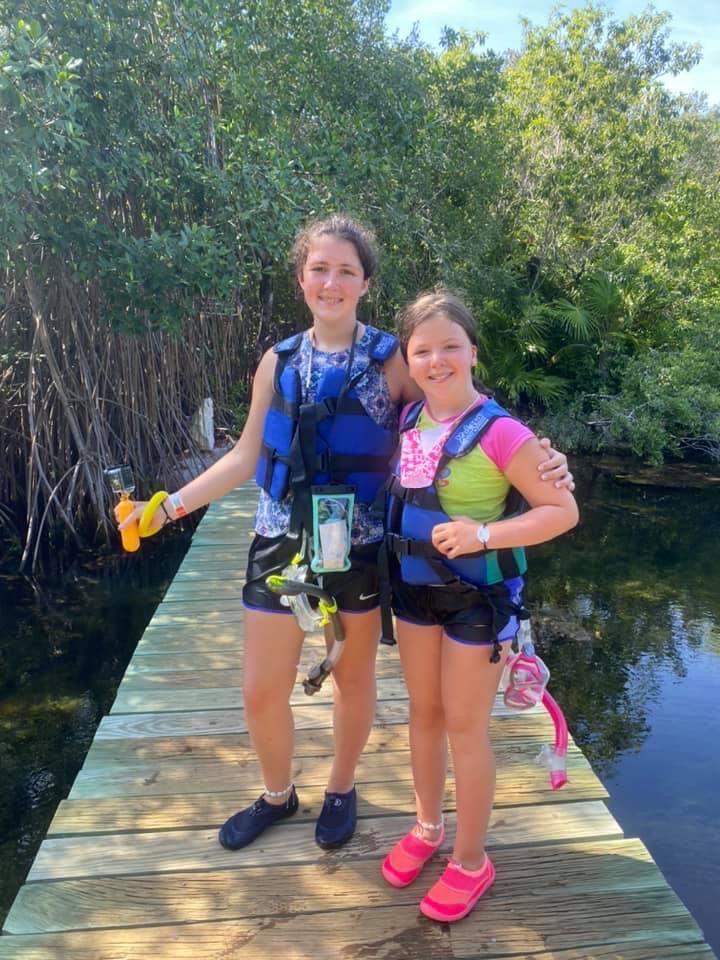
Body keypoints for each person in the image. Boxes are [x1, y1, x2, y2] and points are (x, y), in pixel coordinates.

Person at [118, 216, 574, 852]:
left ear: (365, 283)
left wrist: (539, 456)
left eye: (346, 272)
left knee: (352, 681)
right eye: (320, 269)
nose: (331, 283)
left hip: (358, 550)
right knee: (258, 690)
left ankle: (341, 787)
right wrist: (167, 508)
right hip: (280, 541)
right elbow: (247, 455)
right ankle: (277, 794)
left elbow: (461, 408)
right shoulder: (276, 361)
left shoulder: (393, 357)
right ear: (302, 277)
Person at [379, 290, 579, 923]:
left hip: (477, 604)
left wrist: (483, 534)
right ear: (409, 362)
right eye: (423, 350)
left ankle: (471, 860)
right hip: (414, 594)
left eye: (450, 347)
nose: (437, 361)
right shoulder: (410, 420)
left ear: (472, 352)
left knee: (465, 727)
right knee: (424, 714)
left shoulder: (503, 431)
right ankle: (427, 825)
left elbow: (561, 512)